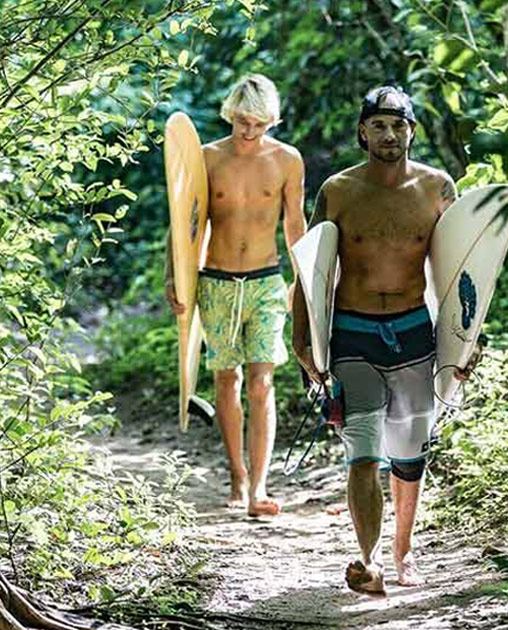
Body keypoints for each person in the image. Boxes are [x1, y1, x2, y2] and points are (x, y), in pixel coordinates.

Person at [292, 86, 477, 595]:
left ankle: (405, 551)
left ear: (411, 130)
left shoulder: (438, 189)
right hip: (352, 334)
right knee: (364, 453)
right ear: (362, 132)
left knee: (409, 455)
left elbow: (461, 274)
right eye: (378, 125)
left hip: (415, 332)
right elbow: (311, 271)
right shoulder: (338, 190)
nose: (389, 135)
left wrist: (465, 342)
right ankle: (368, 561)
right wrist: (302, 339)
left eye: (398, 125)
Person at [166, 74, 306, 517]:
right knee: (227, 380)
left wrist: (302, 280)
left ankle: (259, 485)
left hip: (266, 279)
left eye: (259, 123)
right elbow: (186, 225)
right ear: (231, 114)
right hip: (216, 281)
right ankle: (237, 474)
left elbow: (294, 224)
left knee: (262, 384)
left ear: (272, 120)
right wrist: (176, 278)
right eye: (243, 121)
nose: (249, 131)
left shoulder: (287, 160)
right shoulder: (207, 158)